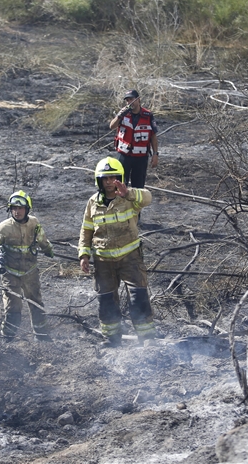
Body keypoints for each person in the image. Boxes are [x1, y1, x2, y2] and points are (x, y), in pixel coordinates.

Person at [78, 157, 159, 347]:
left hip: (130, 258)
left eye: (112, 178)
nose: (108, 182)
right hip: (103, 261)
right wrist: (83, 255)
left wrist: (128, 192)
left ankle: (147, 339)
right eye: (105, 178)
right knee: (106, 300)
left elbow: (148, 197)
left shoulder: (129, 199)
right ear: (99, 180)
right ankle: (112, 339)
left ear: (120, 178)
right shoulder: (92, 202)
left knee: (138, 297)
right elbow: (86, 229)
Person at [0, 190, 55, 342]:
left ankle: (42, 336)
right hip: (10, 273)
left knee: (36, 303)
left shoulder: (34, 223)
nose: (17, 212)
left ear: (27, 209)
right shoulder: (3, 228)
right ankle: (7, 338)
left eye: (20, 208)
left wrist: (48, 249)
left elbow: (41, 239)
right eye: (14, 208)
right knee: (13, 307)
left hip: (30, 272)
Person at [108, 89, 159, 188]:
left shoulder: (148, 115)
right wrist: (119, 116)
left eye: (131, 99)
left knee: (138, 186)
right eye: (127, 100)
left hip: (141, 157)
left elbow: (153, 136)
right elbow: (112, 126)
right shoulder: (123, 114)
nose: (129, 102)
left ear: (138, 99)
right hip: (124, 155)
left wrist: (155, 154)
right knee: (120, 184)